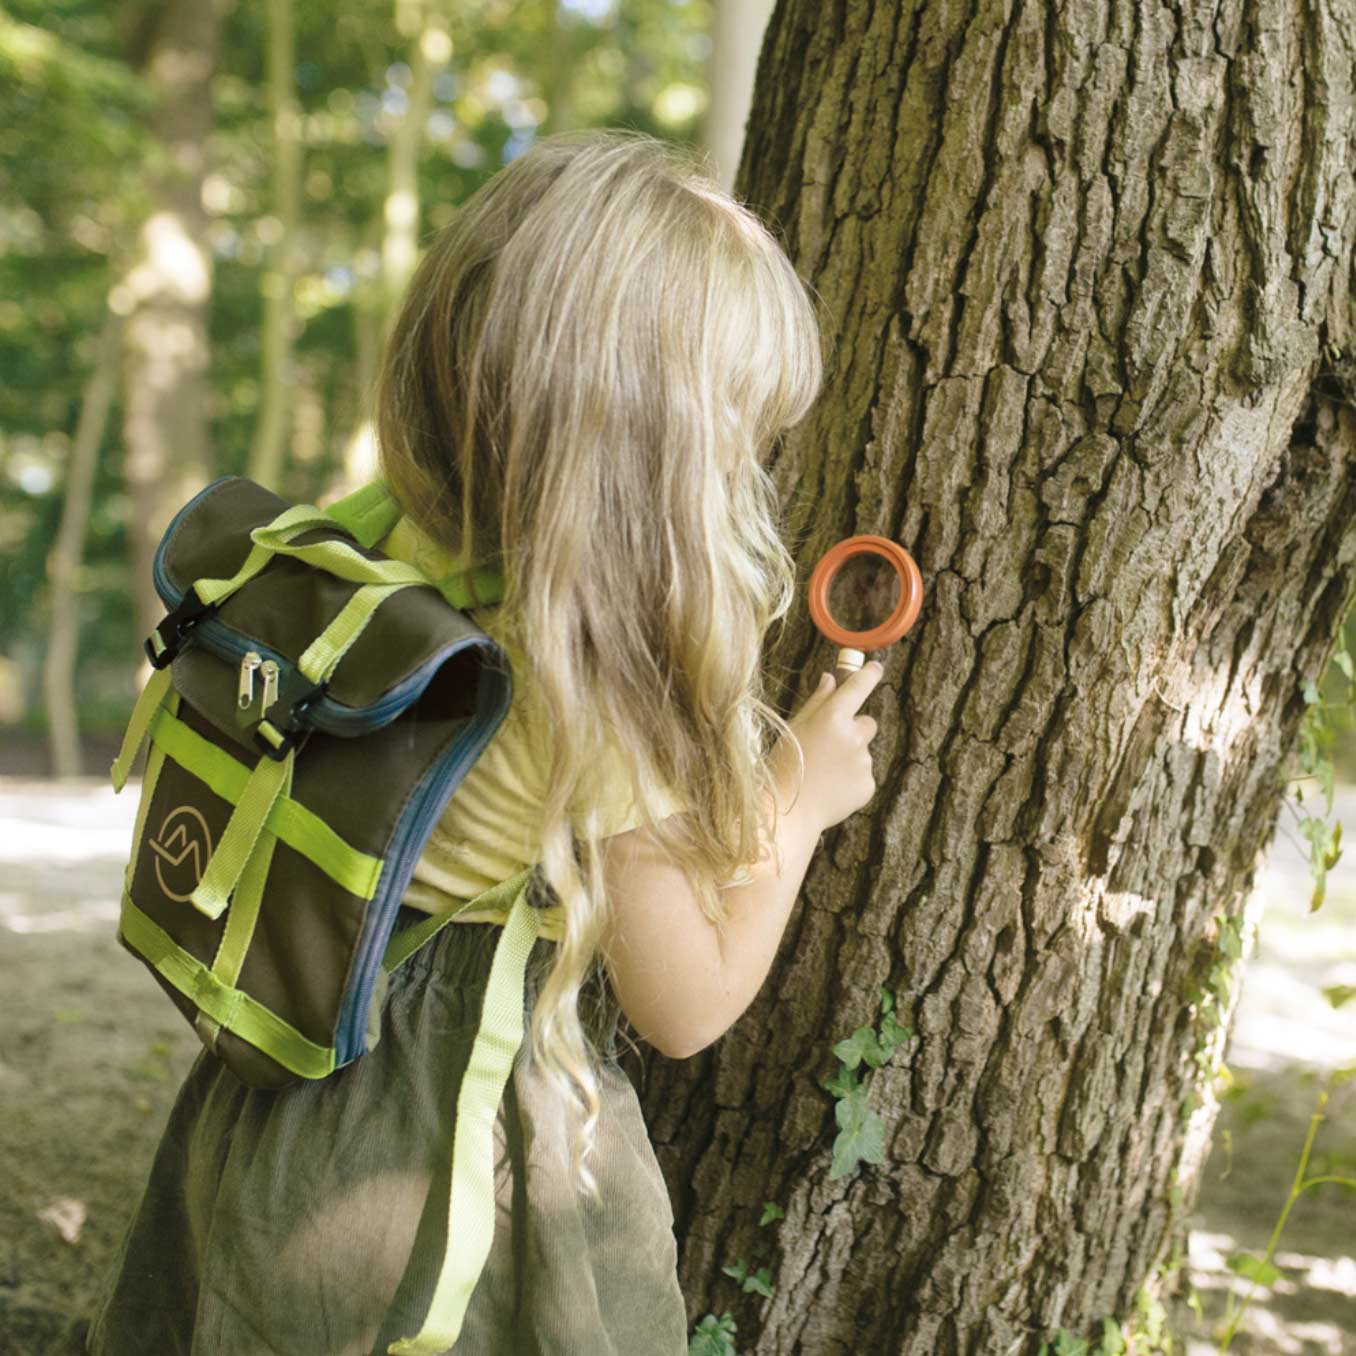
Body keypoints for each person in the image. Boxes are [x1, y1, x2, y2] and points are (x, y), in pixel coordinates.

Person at [85, 126, 884, 1356]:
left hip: (275, 1101)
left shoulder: (378, 544)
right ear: (654, 454)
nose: (754, 459)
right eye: (738, 426)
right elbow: (687, 1004)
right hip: (433, 1159)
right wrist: (800, 795)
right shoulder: (598, 686)